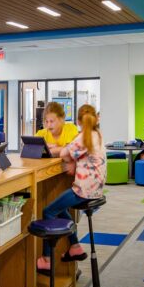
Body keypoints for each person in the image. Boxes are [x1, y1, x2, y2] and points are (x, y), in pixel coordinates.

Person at [37, 104, 106, 275]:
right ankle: (75, 246)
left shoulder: (83, 136)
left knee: (48, 211)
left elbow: (63, 154)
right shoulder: (97, 134)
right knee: (59, 208)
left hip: (83, 189)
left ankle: (46, 259)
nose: (48, 124)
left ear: (77, 121)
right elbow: (73, 153)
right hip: (96, 187)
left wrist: (56, 150)